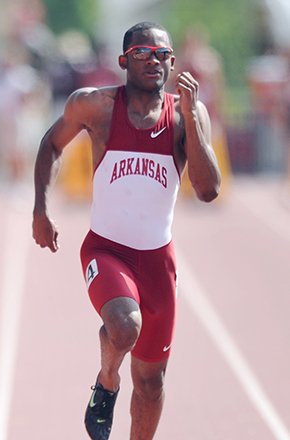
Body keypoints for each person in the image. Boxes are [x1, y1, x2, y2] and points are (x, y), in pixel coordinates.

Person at [32, 22, 221, 440]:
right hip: (107, 250)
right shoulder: (95, 107)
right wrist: (40, 210)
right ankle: (107, 382)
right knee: (124, 325)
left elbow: (208, 190)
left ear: (172, 63)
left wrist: (191, 116)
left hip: (158, 264)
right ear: (123, 61)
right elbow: (51, 143)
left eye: (162, 55)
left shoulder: (186, 115)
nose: (153, 61)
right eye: (142, 53)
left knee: (151, 386)